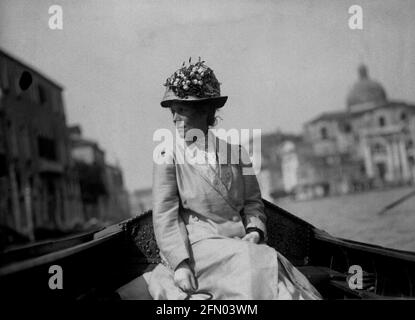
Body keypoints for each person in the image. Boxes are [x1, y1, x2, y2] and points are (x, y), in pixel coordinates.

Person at [143, 59, 322, 300]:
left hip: (240, 242)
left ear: (207, 111)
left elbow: (253, 204)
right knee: (254, 261)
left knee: (275, 275)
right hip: (199, 248)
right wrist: (181, 265)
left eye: (182, 110)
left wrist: (254, 231)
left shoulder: (238, 154)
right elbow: (165, 217)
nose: (175, 119)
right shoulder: (167, 156)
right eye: (173, 111)